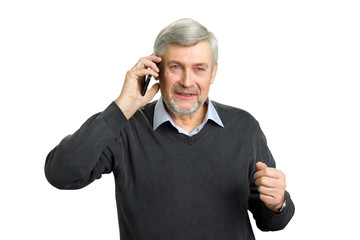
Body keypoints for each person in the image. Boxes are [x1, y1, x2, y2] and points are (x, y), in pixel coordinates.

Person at [45, 18, 295, 240]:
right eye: (176, 67)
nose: (187, 82)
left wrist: (278, 204)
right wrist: (122, 107)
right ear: (156, 70)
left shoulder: (244, 128)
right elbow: (61, 173)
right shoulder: (126, 128)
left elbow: (271, 222)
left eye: (199, 68)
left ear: (213, 73)